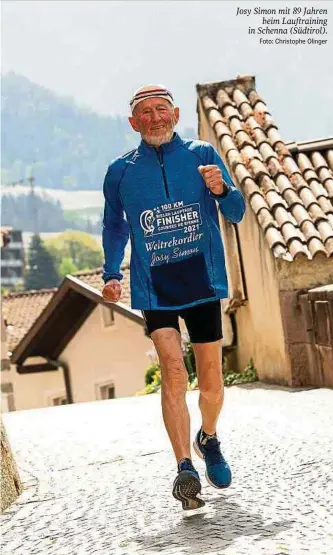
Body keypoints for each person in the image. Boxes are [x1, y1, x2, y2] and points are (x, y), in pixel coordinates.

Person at [101, 84, 245, 510]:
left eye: (161, 109)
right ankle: (184, 466)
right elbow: (114, 226)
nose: (154, 118)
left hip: (202, 280)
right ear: (133, 123)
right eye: (144, 112)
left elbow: (235, 212)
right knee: (173, 371)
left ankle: (209, 437)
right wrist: (111, 273)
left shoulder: (201, 155)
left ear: (175, 113)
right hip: (155, 286)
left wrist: (221, 189)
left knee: (212, 382)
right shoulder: (121, 171)